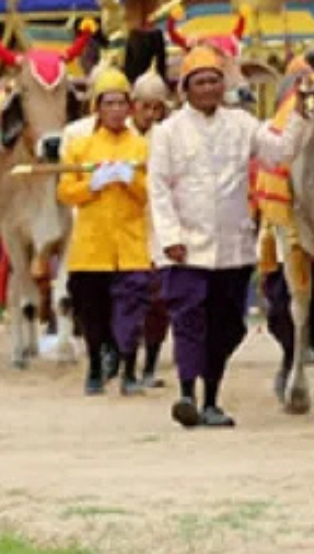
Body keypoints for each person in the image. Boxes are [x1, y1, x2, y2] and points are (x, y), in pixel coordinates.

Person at [148, 45, 305, 428]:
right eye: (199, 82)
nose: (207, 88)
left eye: (214, 80)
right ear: (185, 89)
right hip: (184, 247)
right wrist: (169, 235)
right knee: (188, 320)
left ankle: (212, 399)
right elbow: (159, 187)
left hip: (233, 247)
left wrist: (301, 110)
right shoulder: (167, 132)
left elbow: (281, 152)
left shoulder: (243, 124)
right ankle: (187, 395)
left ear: (223, 85)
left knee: (228, 324)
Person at [56, 68, 152, 397]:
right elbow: (65, 192)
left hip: (130, 244)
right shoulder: (81, 147)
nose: (115, 110)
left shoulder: (141, 147)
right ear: (97, 107)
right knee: (92, 312)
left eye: (121, 103)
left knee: (131, 311)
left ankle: (128, 370)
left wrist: (131, 179)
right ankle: (95, 366)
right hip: (92, 246)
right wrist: (91, 185)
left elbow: (151, 191)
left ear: (130, 108)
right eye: (108, 103)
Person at [129, 70, 174, 388]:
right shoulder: (117, 136)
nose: (151, 114)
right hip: (123, 228)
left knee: (159, 303)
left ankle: (150, 367)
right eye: (145, 106)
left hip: (159, 229)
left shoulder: (169, 136)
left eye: (157, 108)